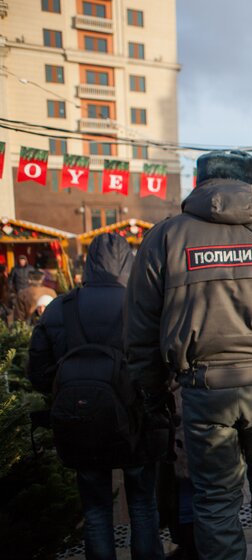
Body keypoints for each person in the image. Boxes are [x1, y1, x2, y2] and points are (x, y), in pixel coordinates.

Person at [125, 150, 252, 560]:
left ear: (200, 183)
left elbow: (140, 326)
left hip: (202, 391)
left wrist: (153, 393)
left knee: (215, 498)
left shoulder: (165, 238)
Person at [28, 233, 164, 560]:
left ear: (88, 264)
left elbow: (38, 373)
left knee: (97, 511)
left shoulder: (61, 308)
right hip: (138, 422)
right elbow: (163, 362)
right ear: (128, 263)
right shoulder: (144, 305)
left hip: (80, 422)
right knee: (143, 506)